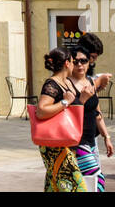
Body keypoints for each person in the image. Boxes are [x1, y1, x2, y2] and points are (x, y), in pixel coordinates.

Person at [33, 47, 93, 192]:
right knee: (75, 185)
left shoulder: (65, 82)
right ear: (67, 63)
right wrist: (64, 102)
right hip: (55, 143)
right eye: (73, 61)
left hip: (65, 141)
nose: (75, 64)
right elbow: (41, 111)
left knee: (56, 183)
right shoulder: (51, 84)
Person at [69, 45, 113, 190]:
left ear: (89, 62)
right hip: (76, 141)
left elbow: (97, 114)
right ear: (69, 63)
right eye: (76, 61)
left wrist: (106, 137)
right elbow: (67, 114)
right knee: (97, 179)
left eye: (84, 61)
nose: (80, 64)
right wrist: (81, 99)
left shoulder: (90, 82)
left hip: (90, 141)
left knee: (86, 182)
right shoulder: (67, 84)